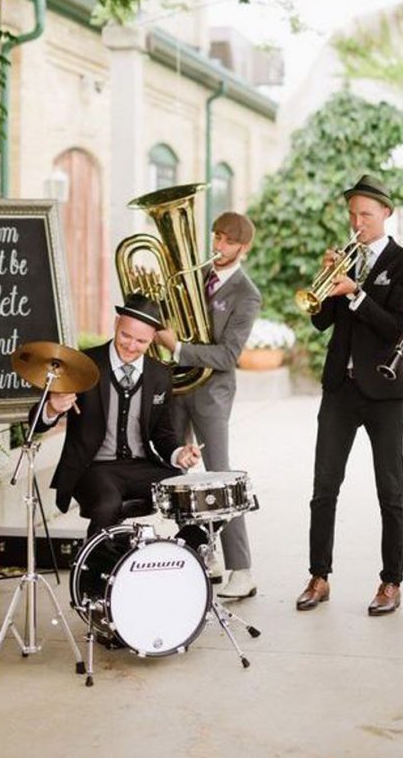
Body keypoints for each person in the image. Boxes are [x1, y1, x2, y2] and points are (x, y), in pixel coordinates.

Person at [296, 175, 403, 616]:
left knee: (390, 489)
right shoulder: (345, 259)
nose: (357, 222)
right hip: (340, 388)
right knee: (323, 486)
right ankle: (319, 576)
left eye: (365, 214)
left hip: (385, 390)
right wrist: (328, 283)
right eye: (352, 213)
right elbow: (320, 323)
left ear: (386, 214)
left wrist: (356, 292)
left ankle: (391, 582)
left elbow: (396, 327)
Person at [154, 211, 261, 600]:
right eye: (216, 237)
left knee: (219, 474)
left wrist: (177, 347)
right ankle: (202, 550)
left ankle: (242, 570)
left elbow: (228, 355)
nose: (218, 246)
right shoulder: (196, 278)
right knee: (178, 471)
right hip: (178, 384)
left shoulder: (247, 294)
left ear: (243, 247)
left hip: (212, 391)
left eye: (228, 241)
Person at [34, 293, 201, 538]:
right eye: (125, 335)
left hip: (142, 466)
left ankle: (182, 560)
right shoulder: (83, 363)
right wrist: (52, 408)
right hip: (94, 468)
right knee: (107, 505)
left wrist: (179, 454)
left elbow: (162, 433)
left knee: (191, 497)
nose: (131, 346)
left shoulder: (159, 374)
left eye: (141, 341)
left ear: (153, 339)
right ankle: (94, 571)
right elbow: (35, 424)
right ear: (116, 324)